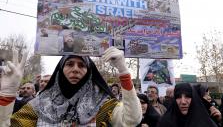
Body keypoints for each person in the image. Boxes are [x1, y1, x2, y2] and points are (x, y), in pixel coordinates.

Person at [0, 46, 142, 126]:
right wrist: (7, 95)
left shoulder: (102, 104)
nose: (75, 69)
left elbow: (131, 120)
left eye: (81, 65)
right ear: (61, 70)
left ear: (89, 72)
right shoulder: (39, 105)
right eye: (69, 64)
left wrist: (123, 71)